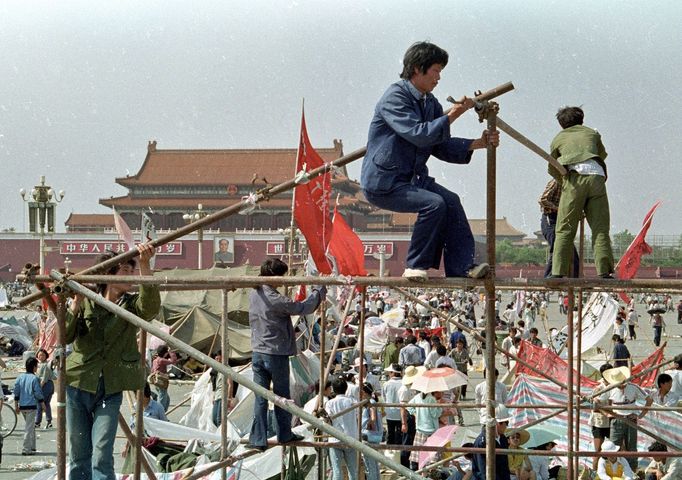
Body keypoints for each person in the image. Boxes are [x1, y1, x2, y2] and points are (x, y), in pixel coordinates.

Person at [360, 41, 498, 281]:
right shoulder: (395, 97)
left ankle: (462, 267)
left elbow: (438, 143)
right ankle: (415, 265)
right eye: (435, 70)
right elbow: (420, 134)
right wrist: (454, 113)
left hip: (412, 179)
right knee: (434, 204)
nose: (439, 78)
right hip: (385, 181)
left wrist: (477, 143)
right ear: (417, 69)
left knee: (450, 201)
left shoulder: (429, 102)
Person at [64, 243, 160, 480]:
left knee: (101, 451)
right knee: (78, 453)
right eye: (125, 271)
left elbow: (150, 308)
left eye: (132, 270)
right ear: (108, 274)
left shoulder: (131, 304)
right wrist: (75, 304)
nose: (131, 277)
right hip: (78, 384)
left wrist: (145, 264)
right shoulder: (86, 300)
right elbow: (64, 336)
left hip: (111, 387)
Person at [247, 258, 326, 450]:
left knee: (260, 397)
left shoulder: (254, 292)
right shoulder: (275, 299)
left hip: (258, 351)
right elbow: (302, 307)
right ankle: (284, 434)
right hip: (275, 352)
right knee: (282, 395)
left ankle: (257, 439)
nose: (282, 281)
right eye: (281, 277)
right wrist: (318, 292)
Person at [548, 106, 614, 279]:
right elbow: (601, 154)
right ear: (581, 119)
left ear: (561, 124)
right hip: (597, 177)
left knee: (565, 229)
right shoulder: (593, 133)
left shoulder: (558, 138)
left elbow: (552, 166)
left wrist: (564, 182)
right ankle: (605, 271)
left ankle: (558, 272)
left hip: (574, 179)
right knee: (600, 228)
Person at [604, 366, 653, 471]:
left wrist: (640, 415)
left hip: (631, 419)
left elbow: (649, 400)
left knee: (631, 448)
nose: (621, 386)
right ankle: (613, 471)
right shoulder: (609, 388)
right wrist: (607, 413)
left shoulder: (633, 387)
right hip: (616, 419)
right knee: (613, 447)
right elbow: (597, 402)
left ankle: (632, 471)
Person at [538, 178, 580, 278]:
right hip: (550, 219)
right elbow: (542, 199)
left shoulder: (574, 186)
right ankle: (549, 277)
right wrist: (559, 209)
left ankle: (575, 279)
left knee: (570, 250)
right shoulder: (557, 181)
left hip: (561, 220)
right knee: (557, 247)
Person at [325, 377, 359, 480]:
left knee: (337, 471)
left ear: (333, 390)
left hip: (335, 439)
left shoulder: (330, 403)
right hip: (351, 438)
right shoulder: (353, 402)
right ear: (346, 388)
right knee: (353, 470)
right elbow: (357, 417)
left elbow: (327, 421)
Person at [14, 357, 45, 455]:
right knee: (29, 428)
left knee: (30, 427)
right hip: (31, 406)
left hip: (22, 406)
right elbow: (38, 393)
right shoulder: (35, 378)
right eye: (37, 366)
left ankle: (32, 447)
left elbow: (16, 392)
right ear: (34, 367)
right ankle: (26, 449)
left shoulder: (20, 377)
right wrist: (43, 404)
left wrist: (16, 406)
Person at [472, 405, 512, 480]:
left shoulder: (503, 439)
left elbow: (505, 466)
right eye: (506, 423)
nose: (507, 426)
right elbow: (483, 471)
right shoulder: (482, 442)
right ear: (497, 423)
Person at [408, 389, 443, 470]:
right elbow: (435, 414)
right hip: (431, 429)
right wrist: (440, 407)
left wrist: (415, 414)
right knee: (431, 456)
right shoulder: (431, 399)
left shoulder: (417, 397)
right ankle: (429, 474)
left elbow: (408, 405)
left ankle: (421, 474)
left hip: (420, 429)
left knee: (420, 455)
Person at [590, 363, 614, 471]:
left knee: (614, 448)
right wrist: (606, 412)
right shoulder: (598, 387)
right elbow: (595, 407)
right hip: (599, 422)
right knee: (598, 450)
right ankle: (594, 473)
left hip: (610, 421)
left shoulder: (614, 385)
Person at [399, 366, 422, 468]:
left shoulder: (414, 386)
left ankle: (413, 464)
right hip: (409, 416)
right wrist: (404, 423)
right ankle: (405, 466)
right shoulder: (404, 389)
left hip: (415, 414)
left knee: (414, 441)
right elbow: (403, 408)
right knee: (407, 442)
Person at [360, 382, 383, 480]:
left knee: (369, 464)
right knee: (374, 462)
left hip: (369, 436)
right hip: (374, 435)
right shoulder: (372, 401)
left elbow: (373, 418)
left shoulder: (370, 402)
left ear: (364, 392)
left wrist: (369, 424)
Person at [382, 363, 404, 445]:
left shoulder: (386, 384)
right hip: (401, 413)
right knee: (400, 435)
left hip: (390, 413)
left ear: (393, 373)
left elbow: (384, 398)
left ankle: (389, 452)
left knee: (390, 433)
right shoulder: (403, 383)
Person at [35, 348, 55, 429]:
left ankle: (37, 422)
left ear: (46, 356)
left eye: (42, 355)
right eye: (39, 355)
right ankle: (49, 421)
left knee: (40, 404)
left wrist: (38, 388)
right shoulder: (40, 365)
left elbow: (44, 379)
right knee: (46, 404)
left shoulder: (46, 365)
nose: (41, 356)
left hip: (46, 386)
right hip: (48, 386)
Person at [151, 345, 174, 411]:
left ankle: (163, 414)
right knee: (162, 400)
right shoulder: (161, 360)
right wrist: (171, 352)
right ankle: (159, 415)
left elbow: (152, 370)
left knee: (166, 399)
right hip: (161, 381)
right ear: (165, 353)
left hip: (156, 381)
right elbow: (173, 361)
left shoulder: (155, 360)